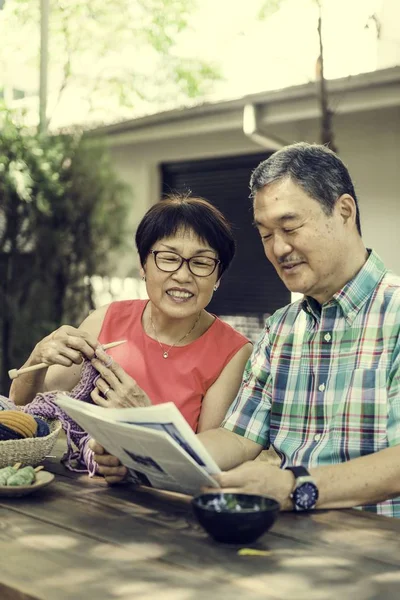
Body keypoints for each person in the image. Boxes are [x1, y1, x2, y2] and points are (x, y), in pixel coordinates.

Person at [90, 143, 400, 514]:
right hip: (282, 539)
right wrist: (143, 460)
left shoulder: (393, 313)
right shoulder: (282, 328)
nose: (278, 248)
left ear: (344, 212)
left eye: (289, 226)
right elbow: (236, 437)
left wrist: (293, 487)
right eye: (266, 234)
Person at [10, 194, 252, 465]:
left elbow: (206, 462)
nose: (183, 276)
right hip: (86, 485)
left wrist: (145, 418)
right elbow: (23, 408)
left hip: (165, 501)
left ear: (218, 276)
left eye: (201, 262)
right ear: (142, 265)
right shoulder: (107, 319)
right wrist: (38, 357)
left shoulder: (234, 352)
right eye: (169, 258)